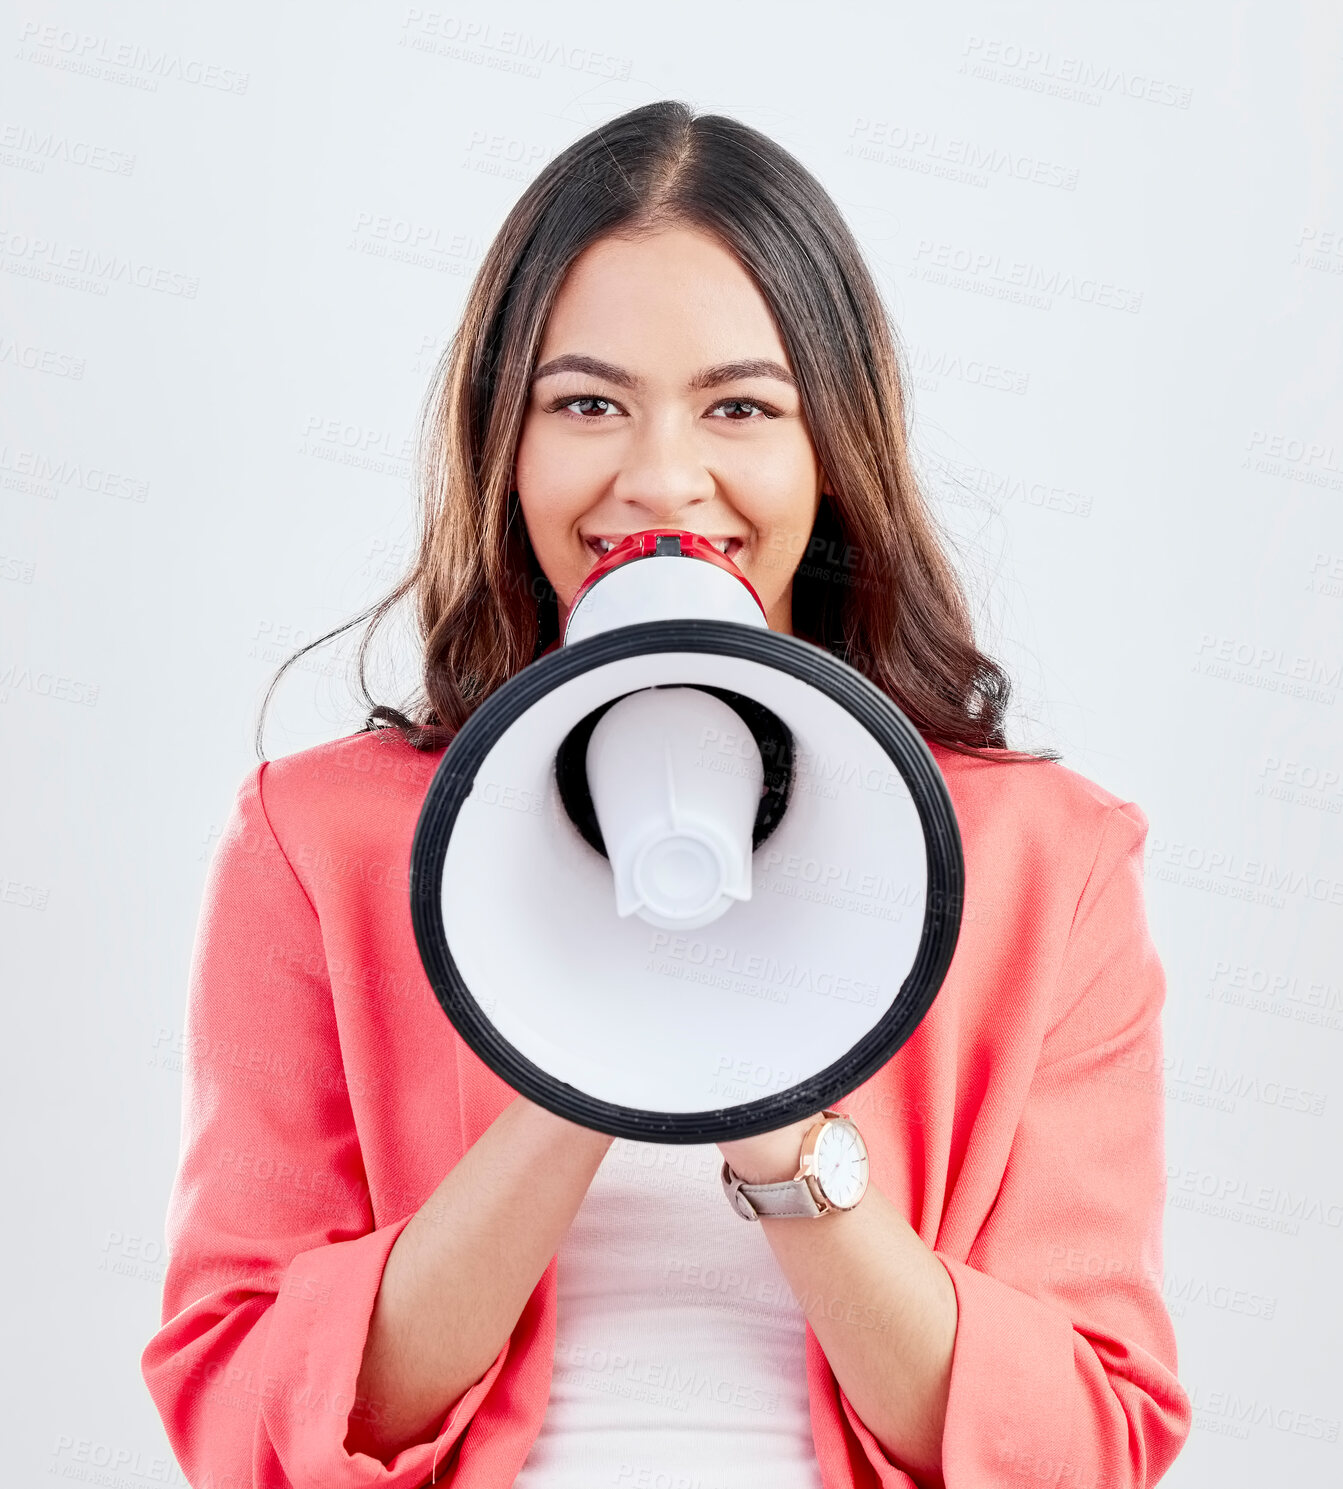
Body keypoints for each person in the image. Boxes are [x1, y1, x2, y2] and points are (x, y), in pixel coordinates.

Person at [141, 100, 1192, 1489]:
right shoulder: (315, 844)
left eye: (742, 406)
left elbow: (1086, 1449)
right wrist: (593, 1042)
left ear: (835, 449)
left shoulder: (1042, 864)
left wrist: (765, 1088)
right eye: (586, 403)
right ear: (500, 440)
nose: (660, 478)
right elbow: (246, 1416)